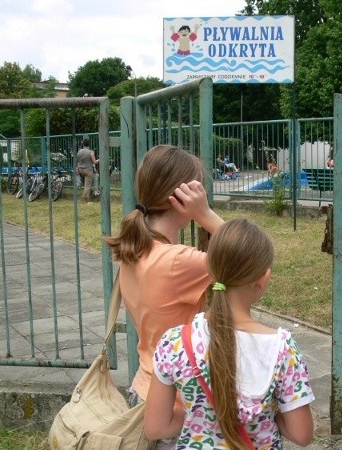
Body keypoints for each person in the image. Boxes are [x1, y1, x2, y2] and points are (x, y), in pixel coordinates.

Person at [144, 218, 315, 449]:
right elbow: (302, 434)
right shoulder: (283, 350)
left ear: (210, 270)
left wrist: (201, 422)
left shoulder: (174, 343)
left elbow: (156, 427)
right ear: (264, 278)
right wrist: (265, 416)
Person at [103, 144, 225, 450]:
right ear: (182, 195)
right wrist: (206, 215)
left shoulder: (135, 249)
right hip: (179, 406)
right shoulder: (177, 261)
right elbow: (253, 261)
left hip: (144, 389)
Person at [76, 138, 99, 203]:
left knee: (88, 184)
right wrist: (100, 159)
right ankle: (85, 200)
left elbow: (78, 160)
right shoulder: (91, 152)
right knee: (87, 186)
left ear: (83, 144)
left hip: (80, 170)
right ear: (89, 144)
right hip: (88, 170)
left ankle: (94, 190)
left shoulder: (79, 151)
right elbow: (94, 162)